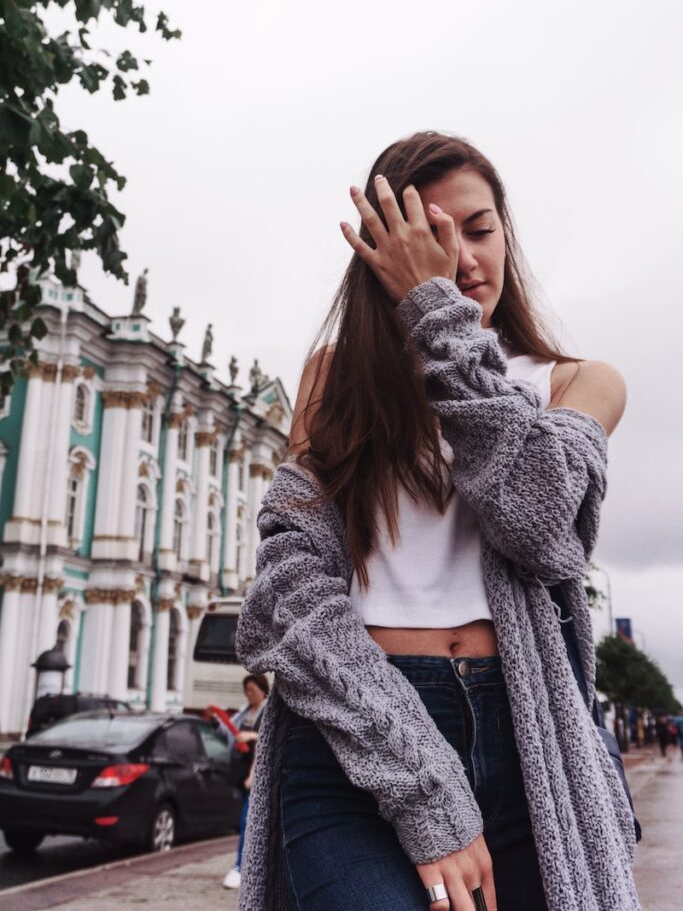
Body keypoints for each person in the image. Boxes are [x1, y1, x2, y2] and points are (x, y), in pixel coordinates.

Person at [235, 132, 641, 911]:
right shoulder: (331, 379)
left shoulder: (579, 382)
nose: (459, 260)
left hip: (527, 739)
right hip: (355, 726)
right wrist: (421, 784)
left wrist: (439, 322)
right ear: (382, 252)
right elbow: (288, 582)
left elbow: (538, 522)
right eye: (430, 237)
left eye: (479, 230)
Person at [221, 673, 269, 890]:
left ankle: (240, 866)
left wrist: (251, 737)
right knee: (249, 821)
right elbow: (227, 731)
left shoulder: (267, 711)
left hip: (256, 775)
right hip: (241, 774)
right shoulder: (245, 712)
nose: (249, 695)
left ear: (262, 689)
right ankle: (251, 866)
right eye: (246, 691)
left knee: (247, 821)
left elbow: (267, 741)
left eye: (252, 690)